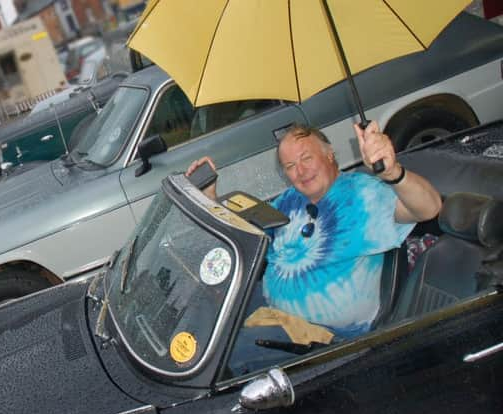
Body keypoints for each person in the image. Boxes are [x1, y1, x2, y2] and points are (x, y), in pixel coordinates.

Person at [186, 121, 442, 338]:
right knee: (200, 317)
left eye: (306, 158)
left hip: (323, 343)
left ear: (329, 154)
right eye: (290, 166)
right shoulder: (288, 201)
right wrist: (210, 201)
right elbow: (247, 240)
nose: (300, 171)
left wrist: (394, 172)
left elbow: (429, 208)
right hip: (272, 320)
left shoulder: (362, 194)